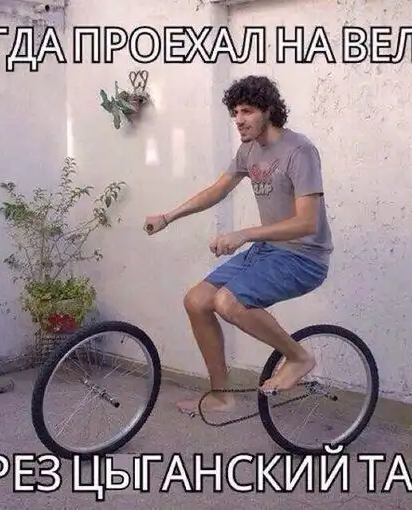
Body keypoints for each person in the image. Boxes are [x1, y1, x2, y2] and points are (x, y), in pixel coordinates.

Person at [143, 75, 333, 414]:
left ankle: (298, 357)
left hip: (304, 257)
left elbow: (307, 223)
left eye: (247, 111)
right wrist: (169, 216)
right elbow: (218, 190)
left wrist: (244, 234)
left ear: (268, 110)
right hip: (270, 251)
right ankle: (221, 395)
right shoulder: (249, 150)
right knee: (197, 301)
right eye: (235, 113)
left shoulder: (299, 151)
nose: (239, 120)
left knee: (227, 301)